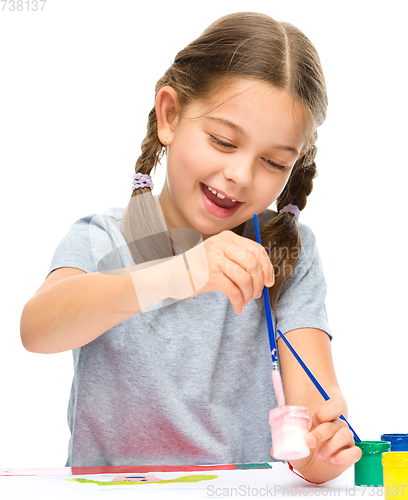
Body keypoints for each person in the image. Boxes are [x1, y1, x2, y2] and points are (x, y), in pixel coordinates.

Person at [20, 12, 361, 483]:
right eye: (223, 141)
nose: (241, 175)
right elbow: (37, 329)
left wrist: (317, 452)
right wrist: (179, 273)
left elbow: (311, 414)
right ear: (170, 116)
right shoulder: (102, 238)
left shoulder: (285, 253)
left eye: (272, 161)